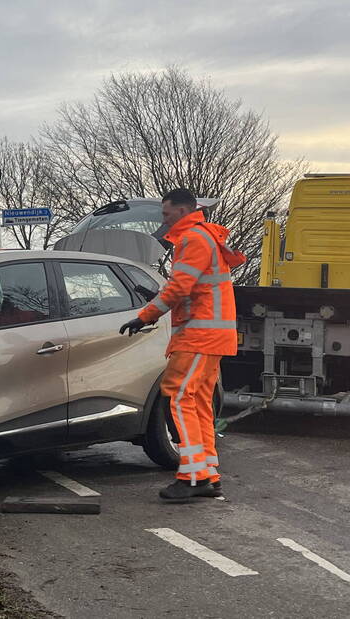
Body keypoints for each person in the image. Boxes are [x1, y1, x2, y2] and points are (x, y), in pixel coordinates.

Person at [119, 188, 243, 501]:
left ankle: (193, 477)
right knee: (198, 401)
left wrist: (146, 315)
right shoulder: (205, 238)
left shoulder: (192, 239)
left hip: (199, 336)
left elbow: (180, 286)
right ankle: (206, 473)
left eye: (166, 213)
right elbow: (189, 290)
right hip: (210, 336)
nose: (163, 220)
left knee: (177, 396)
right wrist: (158, 303)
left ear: (184, 210)